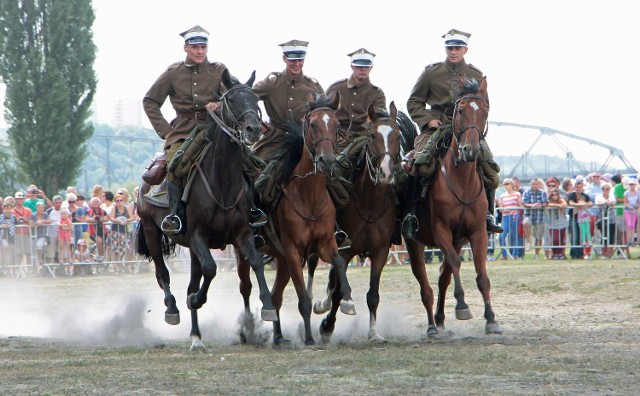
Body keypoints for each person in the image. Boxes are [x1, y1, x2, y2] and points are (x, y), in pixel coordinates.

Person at [143, 25, 266, 237]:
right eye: (195, 47)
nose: (200, 51)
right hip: (183, 131)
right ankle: (176, 216)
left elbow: (234, 95)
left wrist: (217, 103)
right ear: (186, 48)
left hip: (215, 129)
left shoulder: (219, 70)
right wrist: (166, 131)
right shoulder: (173, 73)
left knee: (250, 163)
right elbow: (150, 101)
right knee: (176, 166)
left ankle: (252, 211)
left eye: (203, 46)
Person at [403, 29, 502, 238]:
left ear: (465, 49)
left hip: (466, 130)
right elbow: (413, 102)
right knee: (419, 163)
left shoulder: (476, 75)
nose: (453, 51)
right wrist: (427, 120)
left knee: (489, 168)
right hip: (436, 127)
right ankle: (411, 214)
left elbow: (484, 106)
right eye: (450, 48)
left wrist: (474, 127)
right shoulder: (431, 72)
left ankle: (487, 216)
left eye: (457, 48)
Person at [252, 39, 349, 248]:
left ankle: (336, 228)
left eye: (300, 59)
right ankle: (256, 228)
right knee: (258, 176)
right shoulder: (271, 82)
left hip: (305, 143)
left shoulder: (313, 86)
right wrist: (256, 122)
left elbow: (324, 112)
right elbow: (248, 98)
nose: (296, 64)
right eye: (292, 59)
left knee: (332, 177)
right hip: (274, 141)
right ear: (285, 59)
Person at [325, 48, 394, 244]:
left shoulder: (376, 93)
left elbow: (378, 118)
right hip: (338, 144)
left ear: (370, 68)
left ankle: (396, 222)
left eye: (366, 67)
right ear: (352, 66)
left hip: (365, 142)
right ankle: (333, 226)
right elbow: (326, 115)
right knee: (329, 177)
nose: (362, 71)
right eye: (358, 66)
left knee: (393, 175)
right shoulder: (336, 89)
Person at [521, 178, 549, 259]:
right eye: (533, 184)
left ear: (538, 185)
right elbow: (523, 203)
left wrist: (541, 205)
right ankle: (529, 241)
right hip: (529, 214)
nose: (534, 186)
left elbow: (546, 202)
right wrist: (532, 206)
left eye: (536, 184)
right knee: (525, 224)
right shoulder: (526, 192)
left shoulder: (542, 193)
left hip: (540, 216)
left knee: (538, 237)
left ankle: (536, 254)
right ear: (530, 184)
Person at [497, 178, 523, 260]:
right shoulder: (502, 196)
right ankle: (504, 255)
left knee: (515, 235)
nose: (505, 185)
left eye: (507, 183)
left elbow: (520, 205)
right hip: (505, 217)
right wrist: (504, 209)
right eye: (504, 184)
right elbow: (501, 208)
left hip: (515, 216)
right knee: (501, 236)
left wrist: (514, 210)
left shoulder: (517, 194)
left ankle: (515, 254)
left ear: (512, 185)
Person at [568, 178, 592, 259]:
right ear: (575, 187)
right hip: (574, 218)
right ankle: (574, 253)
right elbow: (570, 203)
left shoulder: (585, 195)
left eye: (580, 187)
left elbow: (590, 203)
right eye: (577, 187)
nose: (578, 189)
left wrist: (585, 204)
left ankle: (581, 253)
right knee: (574, 236)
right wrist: (580, 205)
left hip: (582, 220)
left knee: (582, 236)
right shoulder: (572, 195)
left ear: (582, 187)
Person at [595, 182, 617, 258]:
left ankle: (609, 253)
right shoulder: (599, 196)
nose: (606, 190)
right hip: (602, 219)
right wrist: (606, 202)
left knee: (611, 235)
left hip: (611, 219)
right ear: (602, 190)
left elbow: (614, 203)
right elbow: (598, 203)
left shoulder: (611, 196)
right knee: (603, 235)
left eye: (607, 189)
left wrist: (605, 203)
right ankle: (604, 252)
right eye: (604, 189)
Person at [11, 191, 33, 266]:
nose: (20, 200)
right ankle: (18, 270)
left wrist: (26, 220)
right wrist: (17, 220)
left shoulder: (28, 210)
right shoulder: (12, 211)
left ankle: (29, 271)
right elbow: (11, 222)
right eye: (18, 199)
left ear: (24, 200)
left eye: (21, 199)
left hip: (27, 234)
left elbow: (31, 221)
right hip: (17, 234)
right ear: (15, 200)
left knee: (28, 252)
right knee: (18, 253)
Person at [547, 188, 569, 259]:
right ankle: (555, 253)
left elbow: (565, 205)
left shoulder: (561, 200)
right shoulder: (548, 201)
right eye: (553, 195)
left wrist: (556, 205)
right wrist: (557, 205)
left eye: (556, 195)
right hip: (553, 224)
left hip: (562, 223)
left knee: (562, 239)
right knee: (555, 239)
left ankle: (561, 254)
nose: (554, 196)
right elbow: (546, 205)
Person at [623, 177, 640, 246]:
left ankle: (632, 240)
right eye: (630, 184)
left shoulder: (638, 193)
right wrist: (629, 206)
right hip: (627, 210)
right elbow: (625, 202)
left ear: (635, 185)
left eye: (633, 184)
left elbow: (639, 201)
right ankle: (628, 239)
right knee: (628, 225)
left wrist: (637, 206)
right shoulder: (626, 193)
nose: (632, 185)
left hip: (634, 211)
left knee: (633, 225)